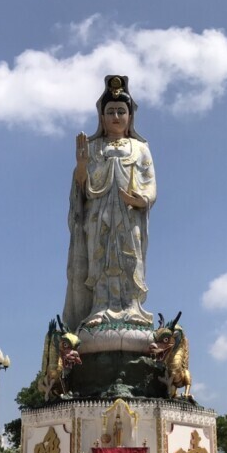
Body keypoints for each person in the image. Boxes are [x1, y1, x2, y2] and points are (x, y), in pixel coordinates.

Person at [63, 75, 157, 330]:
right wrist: (81, 166)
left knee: (130, 259)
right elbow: (82, 189)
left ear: (129, 117)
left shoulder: (140, 148)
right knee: (99, 259)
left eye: (121, 111)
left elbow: (150, 184)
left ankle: (132, 306)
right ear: (102, 118)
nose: (116, 116)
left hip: (130, 216)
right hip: (98, 215)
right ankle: (100, 307)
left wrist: (140, 199)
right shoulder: (94, 148)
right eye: (110, 111)